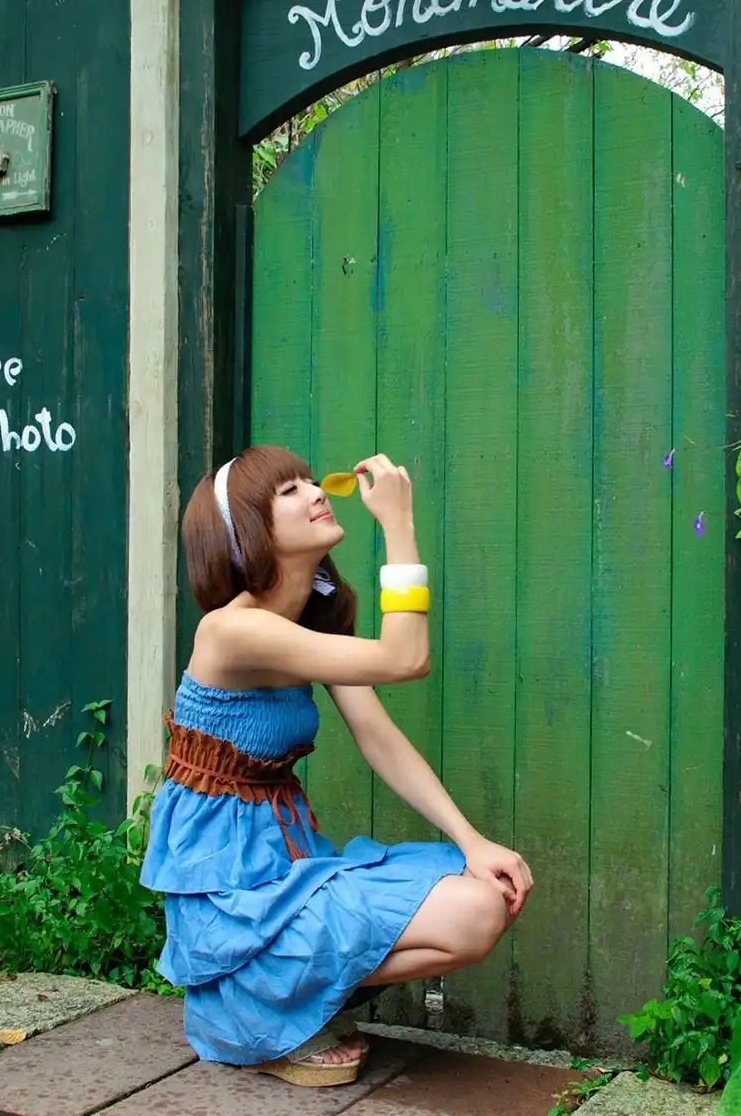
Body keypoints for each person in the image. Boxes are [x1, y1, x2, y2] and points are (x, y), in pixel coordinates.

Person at [139, 446, 535, 1088]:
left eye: (307, 480)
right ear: (247, 529)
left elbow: (379, 738)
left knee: (486, 901)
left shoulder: (309, 621)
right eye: (288, 490)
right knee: (471, 912)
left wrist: (472, 841)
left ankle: (278, 998)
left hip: (287, 861)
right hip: (231, 889)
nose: (315, 491)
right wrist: (399, 526)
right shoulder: (228, 632)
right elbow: (406, 658)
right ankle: (250, 1003)